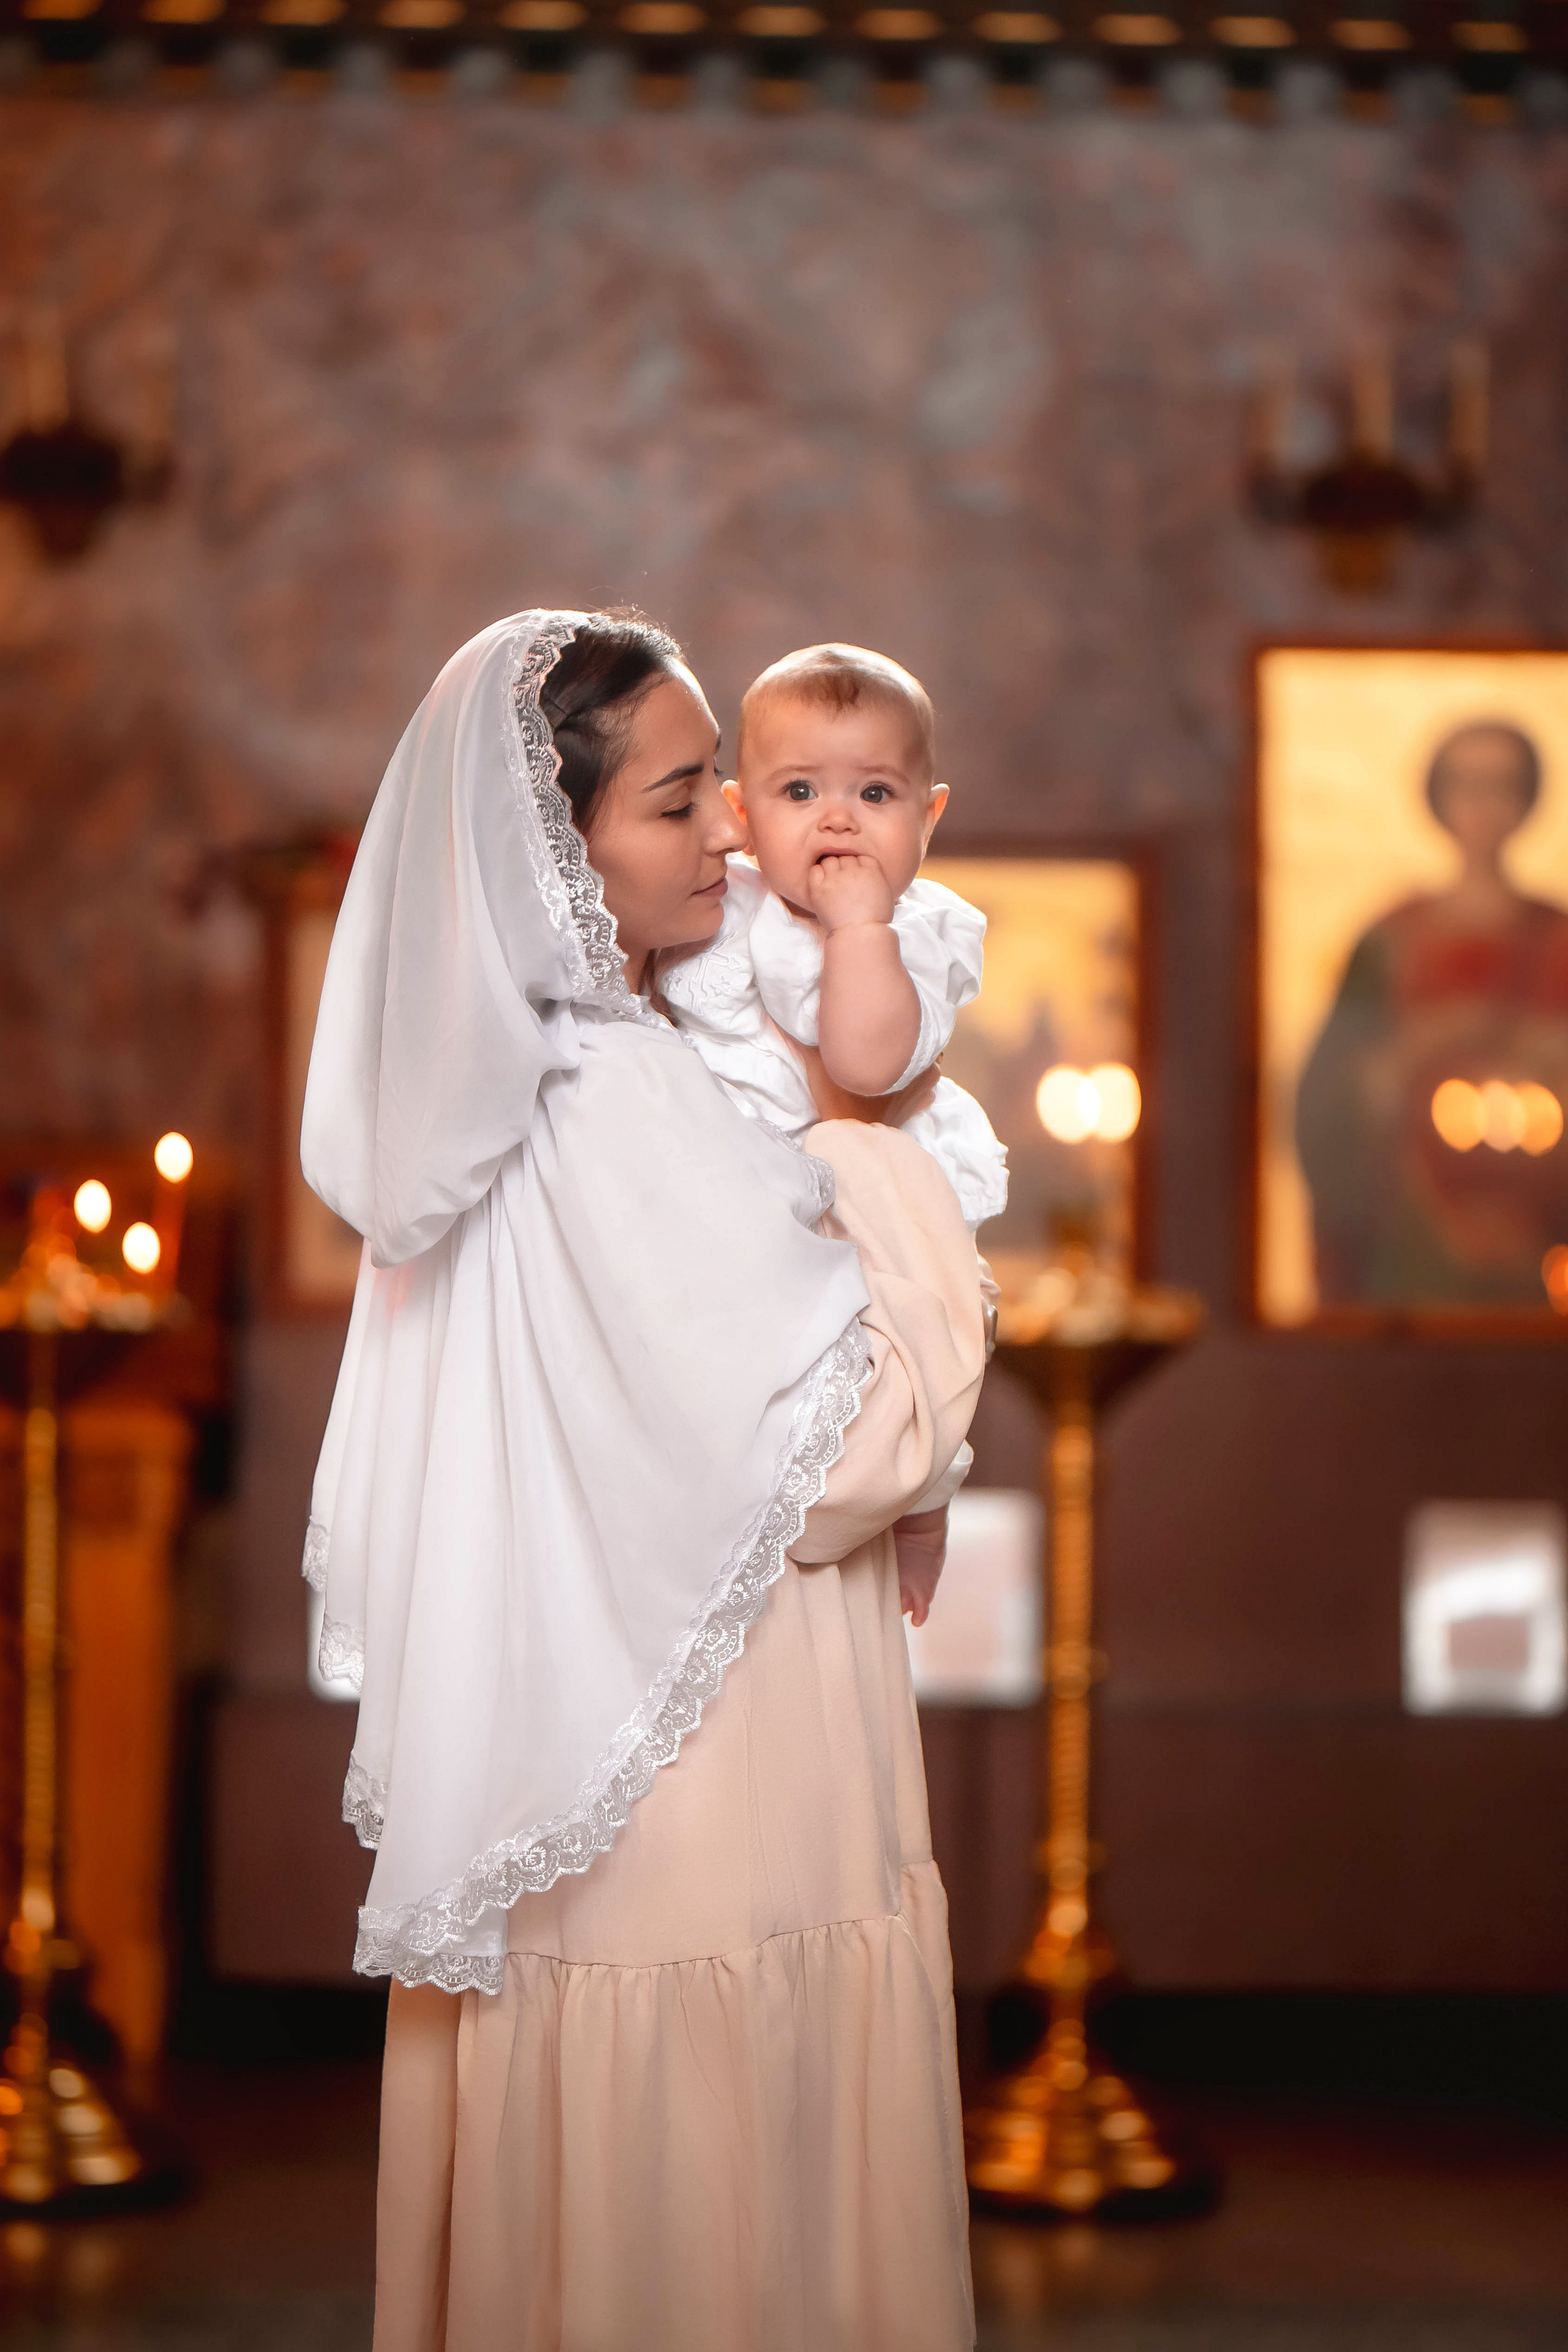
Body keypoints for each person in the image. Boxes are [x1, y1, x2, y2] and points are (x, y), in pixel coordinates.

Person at [298, 609, 986, 2351]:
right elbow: (852, 1448)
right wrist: (883, 1158)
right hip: (705, 1803)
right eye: (682, 803)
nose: (737, 836)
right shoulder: (601, 1094)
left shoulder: (563, 1068)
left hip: (637, 1767)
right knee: (710, 2230)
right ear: (556, 847)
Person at [660, 643, 1009, 1238]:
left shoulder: (919, 933)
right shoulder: (717, 897)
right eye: (800, 791)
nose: (838, 819)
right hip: (706, 1196)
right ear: (741, 814)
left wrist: (857, 929)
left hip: (856, 1225)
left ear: (927, 820)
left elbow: (866, 1072)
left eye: (874, 793)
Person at [1298, 719, 1568, 1308]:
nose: (1482, 805)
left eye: (1501, 784)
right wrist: (1406, 1057)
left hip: (1540, 1239)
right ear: (1438, 797)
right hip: (1412, 1238)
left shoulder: (1557, 941)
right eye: (1465, 784)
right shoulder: (1393, 941)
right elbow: (1328, 1097)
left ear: (1528, 798)